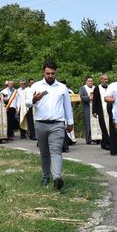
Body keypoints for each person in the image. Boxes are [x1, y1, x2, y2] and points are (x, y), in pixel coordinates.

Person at [31, 60, 74, 190]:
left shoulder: (62, 87)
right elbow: (27, 103)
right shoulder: (36, 86)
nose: (50, 76)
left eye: (53, 73)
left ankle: (57, 178)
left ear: (56, 73)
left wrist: (70, 122)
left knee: (56, 151)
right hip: (40, 124)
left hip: (57, 124)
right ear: (43, 72)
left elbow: (67, 106)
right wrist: (34, 100)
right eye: (48, 73)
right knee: (44, 153)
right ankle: (46, 175)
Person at [91, 74, 112, 150]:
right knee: (103, 127)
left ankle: (105, 143)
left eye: (107, 79)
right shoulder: (97, 88)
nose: (106, 81)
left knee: (109, 126)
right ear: (101, 80)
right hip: (101, 110)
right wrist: (94, 111)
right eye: (105, 79)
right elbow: (95, 100)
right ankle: (107, 143)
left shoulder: (110, 87)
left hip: (109, 109)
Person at [80, 77, 101, 144]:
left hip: (95, 108)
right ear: (86, 82)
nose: (90, 82)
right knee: (88, 124)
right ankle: (89, 139)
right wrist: (89, 98)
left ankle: (97, 138)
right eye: (89, 81)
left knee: (97, 123)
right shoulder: (83, 88)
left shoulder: (95, 88)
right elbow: (81, 97)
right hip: (87, 107)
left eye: (91, 81)